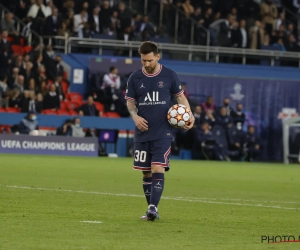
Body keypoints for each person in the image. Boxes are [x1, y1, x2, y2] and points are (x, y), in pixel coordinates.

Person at [125, 41, 195, 221]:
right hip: (142, 133)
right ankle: (151, 208)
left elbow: (180, 97)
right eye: (143, 61)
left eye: (149, 60)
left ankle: (153, 208)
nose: (146, 64)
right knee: (146, 172)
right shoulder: (134, 78)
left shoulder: (170, 75)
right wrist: (135, 116)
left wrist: (189, 115)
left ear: (157, 56)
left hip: (163, 132)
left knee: (158, 167)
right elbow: (131, 101)